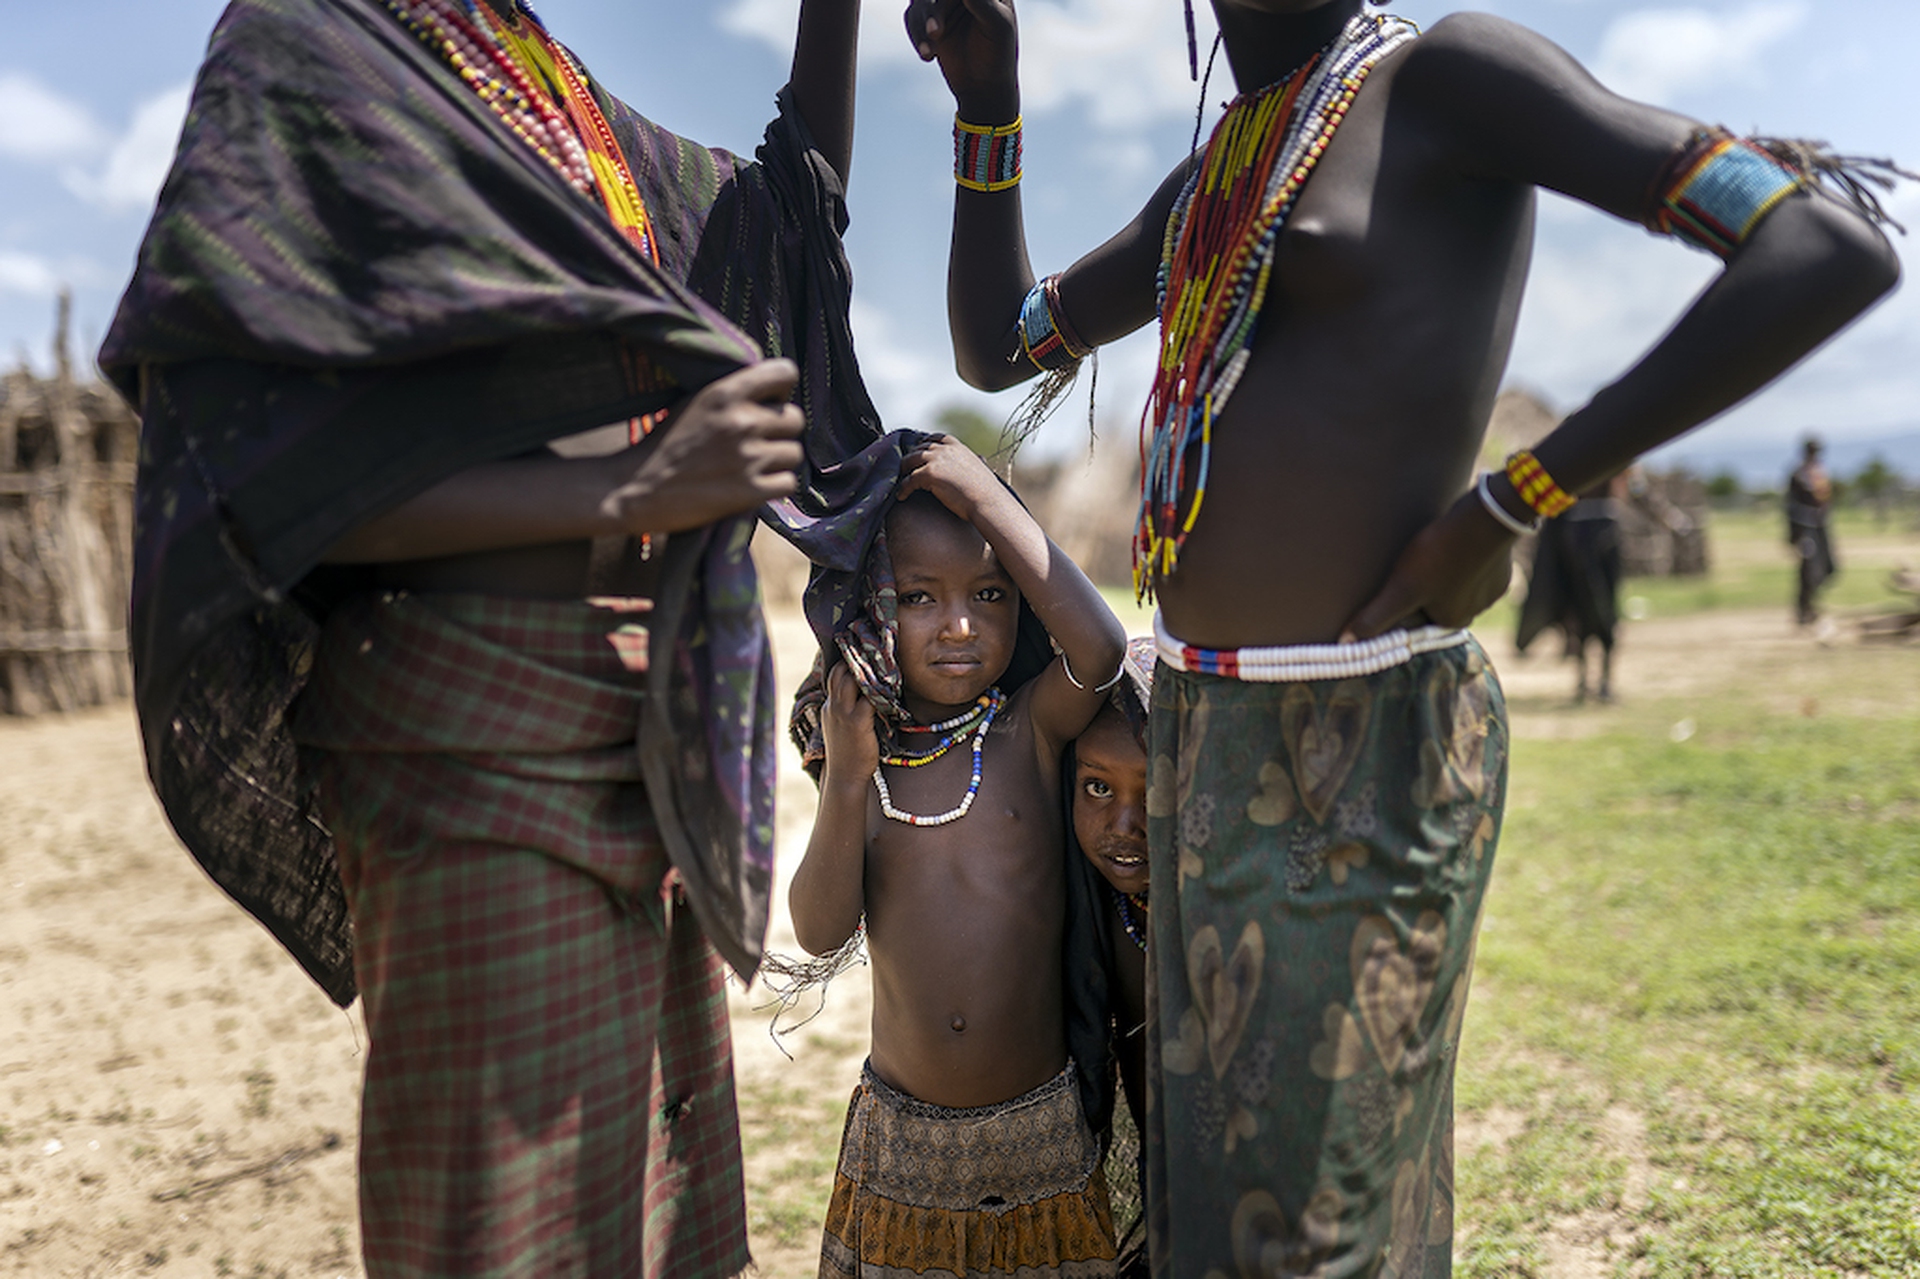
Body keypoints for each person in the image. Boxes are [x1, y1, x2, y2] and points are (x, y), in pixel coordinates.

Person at [909, 0, 1902, 1271]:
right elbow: (999, 345)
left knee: (1321, 1222)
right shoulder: (1216, 179)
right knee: (1211, 1191)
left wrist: (1511, 500)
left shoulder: (1447, 80)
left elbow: (1817, 248)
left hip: (1369, 740)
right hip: (1205, 742)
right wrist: (986, 104)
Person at [100, 0, 884, 1272]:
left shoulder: (550, 97)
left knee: (643, 1223)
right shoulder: (312, 50)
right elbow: (261, 471)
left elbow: (779, 221)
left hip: (646, 751)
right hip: (470, 743)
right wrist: (629, 495)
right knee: (506, 1234)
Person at [789, 434, 1128, 1279]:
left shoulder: (1028, 731)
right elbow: (820, 929)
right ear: (872, 608)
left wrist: (989, 500)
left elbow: (1102, 649)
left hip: (1039, 1133)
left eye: (989, 593)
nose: (961, 625)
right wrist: (846, 781)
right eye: (918, 598)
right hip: (901, 1147)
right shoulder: (861, 755)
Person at [1062, 635, 1157, 1274]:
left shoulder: (1229, 922)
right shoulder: (1089, 907)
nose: (1126, 824)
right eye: (1097, 789)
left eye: (1156, 793)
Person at [1515, 477, 1625, 702]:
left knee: (1605, 610)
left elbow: (1631, 486)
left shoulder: (1615, 456)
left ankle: (1603, 680)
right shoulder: (1580, 455)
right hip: (1576, 535)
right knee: (1580, 608)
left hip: (1599, 535)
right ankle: (1585, 680)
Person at [1788, 436, 1838, 627]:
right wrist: (1795, 535)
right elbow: (1791, 506)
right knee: (1808, 570)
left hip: (1820, 526)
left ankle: (1812, 604)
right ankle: (1804, 609)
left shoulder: (1819, 473)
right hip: (1805, 527)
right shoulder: (1799, 475)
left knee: (1827, 567)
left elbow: (1825, 500)